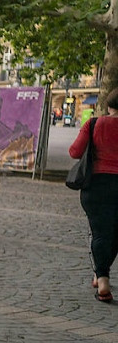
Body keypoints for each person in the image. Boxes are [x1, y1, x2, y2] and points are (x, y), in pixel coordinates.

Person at [70, 89, 118, 303]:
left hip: (97, 185)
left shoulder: (94, 124)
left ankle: (103, 281)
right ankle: (100, 274)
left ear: (109, 105)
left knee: (100, 232)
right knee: (115, 233)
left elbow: (74, 152)